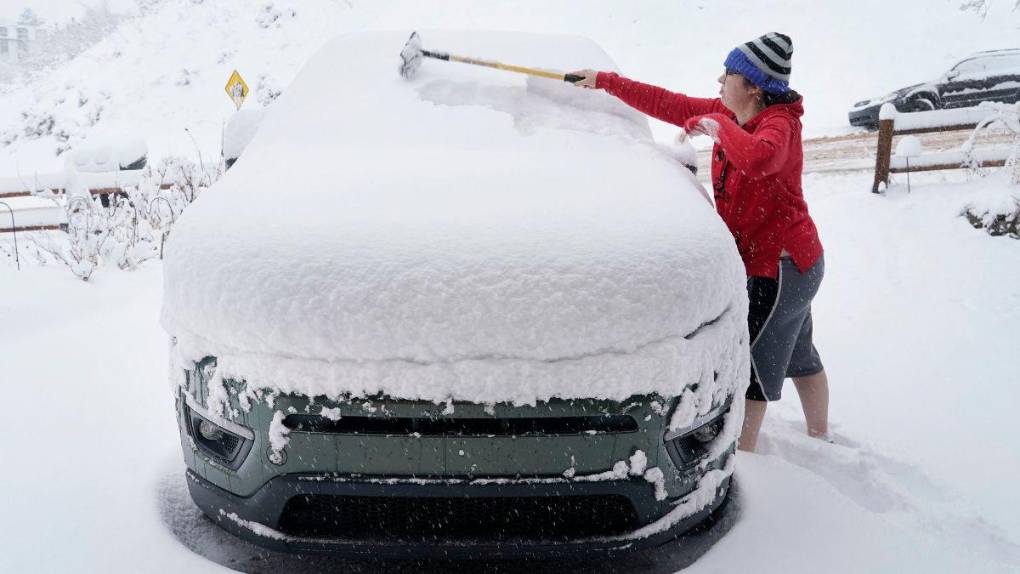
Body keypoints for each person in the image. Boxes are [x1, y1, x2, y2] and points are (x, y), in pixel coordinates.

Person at [570, 33, 829, 452]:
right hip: (796, 263)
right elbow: (668, 103)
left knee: (757, 371)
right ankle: (823, 435)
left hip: (780, 268)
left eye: (727, 74)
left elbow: (759, 159)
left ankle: (747, 458)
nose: (719, 81)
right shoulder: (729, 111)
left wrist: (716, 126)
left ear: (753, 86)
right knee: (799, 352)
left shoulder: (779, 126)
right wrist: (604, 80)